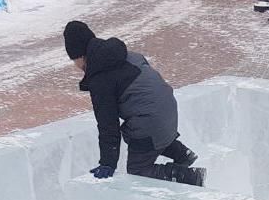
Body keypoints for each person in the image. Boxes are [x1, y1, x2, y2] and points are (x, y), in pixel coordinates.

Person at [63, 21, 207, 186]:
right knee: (136, 133)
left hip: (152, 120)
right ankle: (182, 154)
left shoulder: (100, 79)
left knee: (138, 170)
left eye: (73, 60)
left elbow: (108, 124)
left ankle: (191, 177)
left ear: (80, 56)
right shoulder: (127, 55)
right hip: (168, 110)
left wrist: (108, 163)